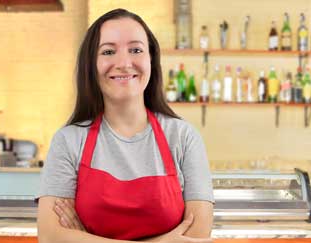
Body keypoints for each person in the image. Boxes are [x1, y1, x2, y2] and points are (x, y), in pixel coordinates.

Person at [36, 8, 214, 243]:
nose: (123, 63)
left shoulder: (183, 137)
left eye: (136, 50)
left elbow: (197, 234)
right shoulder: (69, 140)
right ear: (91, 64)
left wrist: (84, 238)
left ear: (151, 59)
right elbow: (51, 236)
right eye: (108, 51)